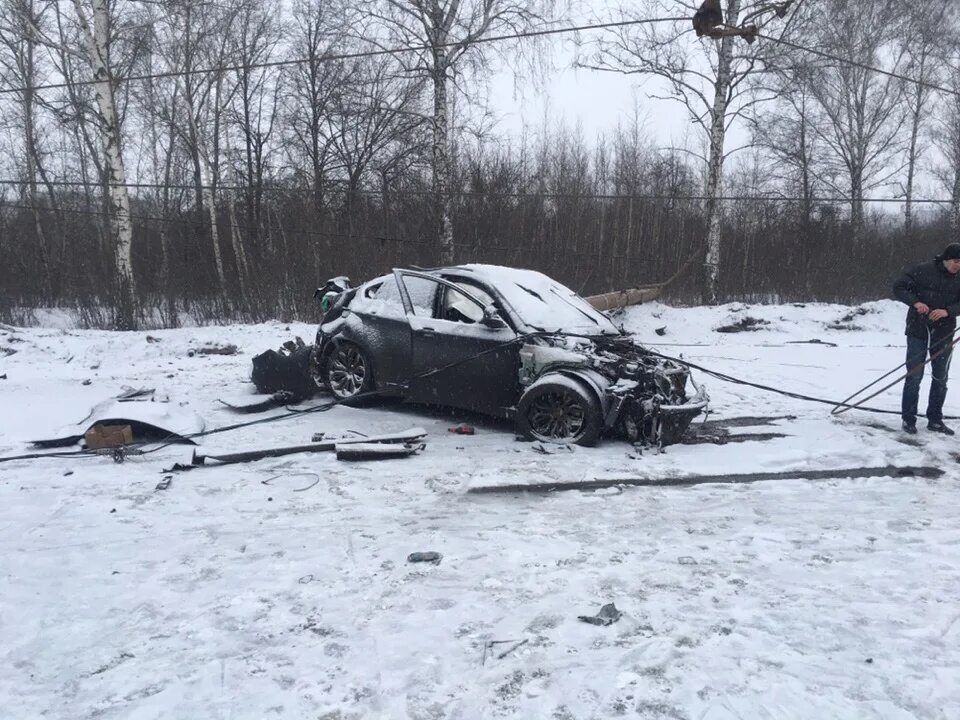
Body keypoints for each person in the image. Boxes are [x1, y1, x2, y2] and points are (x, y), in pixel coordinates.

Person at [893, 243, 960, 435]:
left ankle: (935, 419)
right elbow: (899, 287)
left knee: (940, 377)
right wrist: (916, 302)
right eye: (956, 261)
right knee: (914, 375)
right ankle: (908, 419)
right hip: (918, 329)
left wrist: (948, 311)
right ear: (946, 259)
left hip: (944, 332)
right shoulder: (923, 270)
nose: (958, 266)